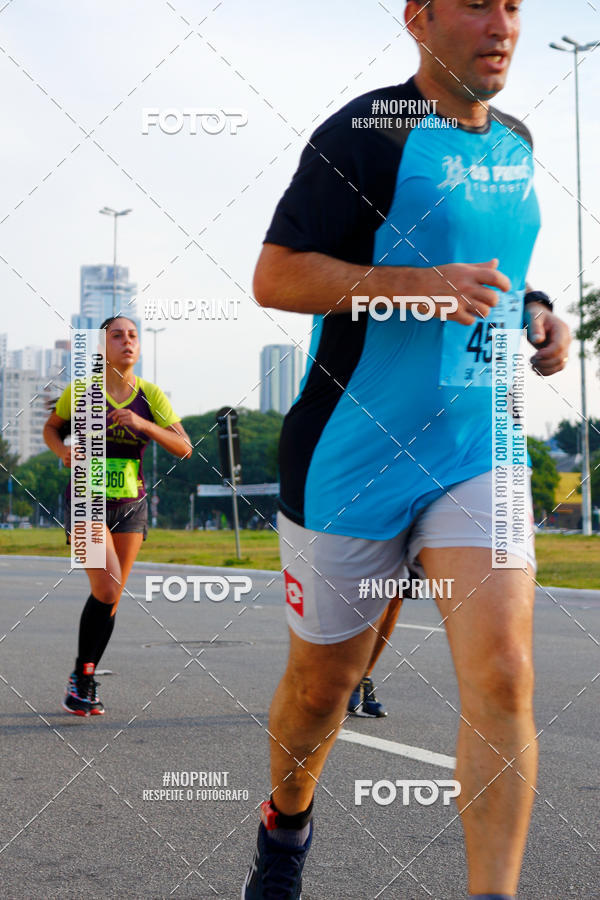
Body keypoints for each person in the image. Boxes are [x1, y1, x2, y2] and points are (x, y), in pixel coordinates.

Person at [242, 1, 571, 898]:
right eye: (477, 3)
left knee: (505, 673)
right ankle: (285, 826)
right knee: (322, 688)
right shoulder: (365, 134)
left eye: (514, 5)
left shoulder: (517, 140)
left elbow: (488, 260)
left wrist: (537, 311)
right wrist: (415, 287)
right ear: (419, 19)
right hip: (354, 451)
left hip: (479, 445)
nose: (502, 24)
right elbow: (277, 275)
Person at [43, 316, 191, 716]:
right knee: (107, 588)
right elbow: (52, 429)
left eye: (133, 336)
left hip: (131, 505)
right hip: (86, 501)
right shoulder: (81, 392)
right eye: (117, 336)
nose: (127, 341)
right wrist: (62, 451)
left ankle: (82, 678)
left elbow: (184, 447)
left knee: (111, 599)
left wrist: (144, 424)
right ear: (101, 347)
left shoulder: (150, 395)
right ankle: (81, 679)